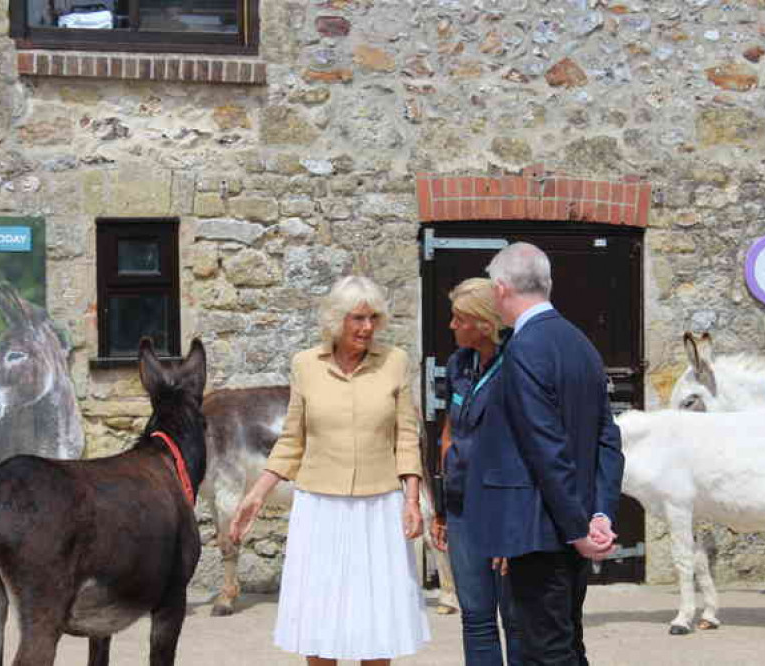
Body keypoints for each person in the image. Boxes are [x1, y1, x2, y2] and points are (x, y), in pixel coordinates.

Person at [229, 275, 430, 666]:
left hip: (379, 510)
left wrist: (410, 499)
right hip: (320, 509)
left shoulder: (395, 362)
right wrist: (256, 494)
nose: (367, 327)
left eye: (373, 317)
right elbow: (291, 440)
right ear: (337, 320)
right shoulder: (306, 365)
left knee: (376, 624)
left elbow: (406, 436)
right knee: (321, 618)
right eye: (357, 318)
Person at [465, 242, 624, 666]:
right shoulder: (581, 344)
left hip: (539, 531)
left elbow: (544, 447)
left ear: (500, 289)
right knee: (566, 644)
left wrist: (578, 530)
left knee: (546, 652)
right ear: (547, 284)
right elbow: (607, 439)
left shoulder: (524, 348)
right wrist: (600, 514)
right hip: (570, 525)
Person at [430, 278, 522, 666]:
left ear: (485, 323)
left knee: (516, 619)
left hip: (503, 508)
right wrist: (440, 507)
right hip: (462, 506)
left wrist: (515, 526)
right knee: (476, 616)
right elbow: (449, 431)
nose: (452, 326)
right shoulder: (458, 364)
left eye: (460, 319)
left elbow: (525, 445)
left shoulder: (517, 364)